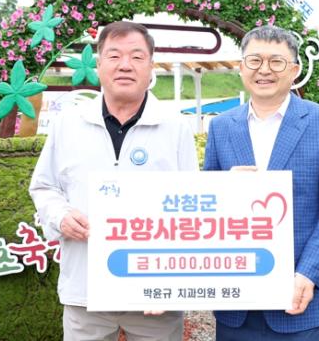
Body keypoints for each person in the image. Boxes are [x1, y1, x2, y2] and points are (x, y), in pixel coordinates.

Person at [29, 21, 198, 340]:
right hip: (85, 290)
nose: (125, 65)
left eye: (137, 56)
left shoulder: (176, 126)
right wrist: (60, 216)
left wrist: (174, 282)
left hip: (154, 294)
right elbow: (43, 187)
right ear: (98, 65)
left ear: (151, 66)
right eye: (114, 55)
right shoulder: (68, 124)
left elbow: (191, 204)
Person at [204, 25, 319, 340]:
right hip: (236, 307)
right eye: (254, 60)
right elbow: (205, 202)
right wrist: (223, 188)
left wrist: (309, 273)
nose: (264, 70)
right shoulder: (221, 127)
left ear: (295, 71)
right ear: (241, 67)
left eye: (276, 61)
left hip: (300, 301)